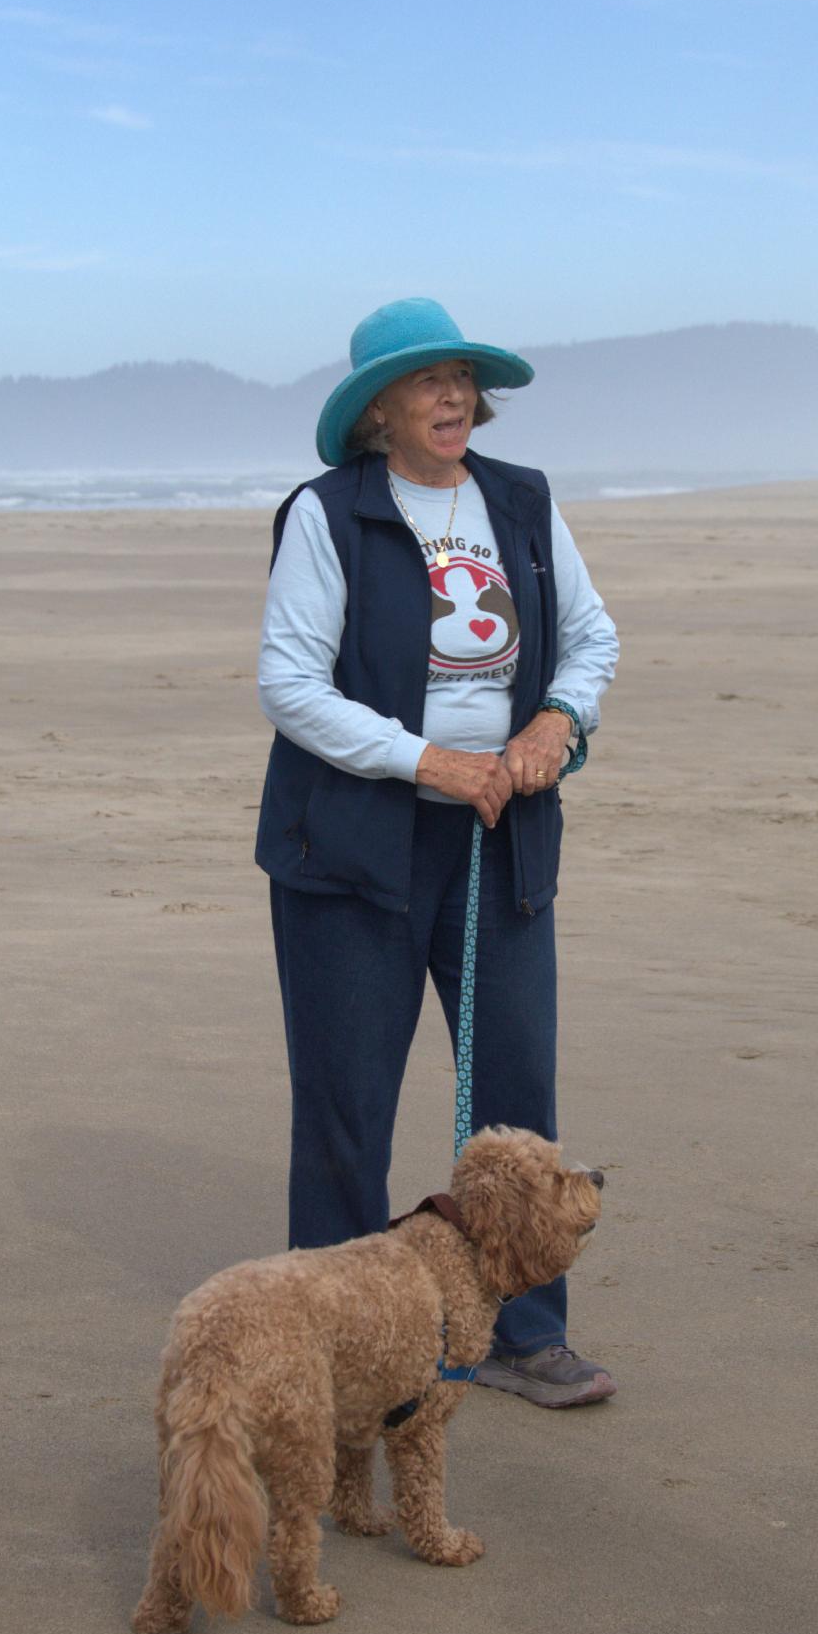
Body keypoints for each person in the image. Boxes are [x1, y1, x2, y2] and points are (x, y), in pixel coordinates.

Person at [255, 297, 620, 1408]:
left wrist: (557, 721)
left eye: (461, 376)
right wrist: (431, 762)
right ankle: (332, 1343)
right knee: (346, 1106)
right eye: (427, 379)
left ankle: (526, 1333)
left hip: (503, 839)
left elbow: (592, 637)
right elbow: (289, 684)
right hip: (349, 850)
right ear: (379, 408)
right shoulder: (328, 514)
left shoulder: (523, 499)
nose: (453, 394)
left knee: (517, 1094)